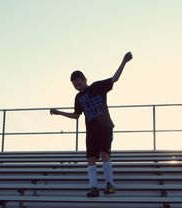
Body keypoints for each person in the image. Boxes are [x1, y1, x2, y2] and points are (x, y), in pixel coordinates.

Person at [50, 52, 133, 197]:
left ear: (85, 79)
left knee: (104, 153)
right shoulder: (78, 97)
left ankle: (110, 185)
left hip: (105, 127)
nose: (78, 87)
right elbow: (76, 116)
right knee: (90, 158)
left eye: (79, 83)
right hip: (91, 131)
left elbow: (115, 78)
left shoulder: (97, 86)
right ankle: (94, 188)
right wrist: (59, 113)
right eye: (75, 85)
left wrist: (124, 62)